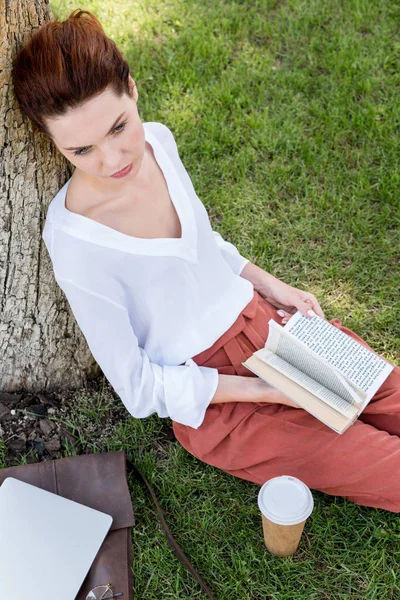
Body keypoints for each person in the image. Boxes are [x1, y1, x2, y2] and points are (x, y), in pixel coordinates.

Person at [12, 9, 400, 513]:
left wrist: (271, 284)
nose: (112, 161)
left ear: (132, 89)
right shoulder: (75, 240)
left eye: (118, 127)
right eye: (81, 149)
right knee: (387, 466)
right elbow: (138, 387)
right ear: (53, 143)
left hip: (270, 328)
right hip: (223, 401)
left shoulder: (159, 142)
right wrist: (263, 392)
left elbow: (201, 242)